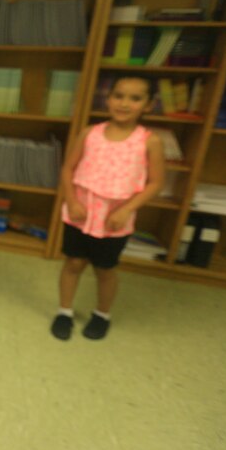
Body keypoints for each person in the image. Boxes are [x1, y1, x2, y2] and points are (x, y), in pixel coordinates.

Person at [51, 75, 164, 341]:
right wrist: (72, 200)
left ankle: (102, 314)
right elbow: (68, 169)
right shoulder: (89, 133)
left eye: (135, 99)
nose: (124, 104)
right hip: (81, 213)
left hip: (115, 219)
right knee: (74, 262)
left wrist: (127, 209)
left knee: (104, 268)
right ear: (108, 98)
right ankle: (64, 311)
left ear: (148, 105)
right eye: (119, 96)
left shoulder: (150, 141)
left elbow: (156, 182)